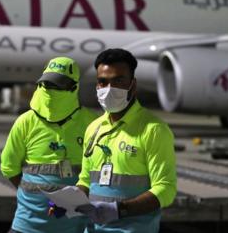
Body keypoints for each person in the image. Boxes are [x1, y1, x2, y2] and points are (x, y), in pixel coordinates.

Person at [75, 48, 177, 233]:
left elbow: (165, 189)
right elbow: (85, 180)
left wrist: (120, 210)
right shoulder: (93, 128)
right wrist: (70, 200)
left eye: (118, 81)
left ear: (133, 84)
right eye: (103, 82)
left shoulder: (153, 130)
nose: (109, 89)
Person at [1, 57, 98, 233]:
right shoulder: (26, 122)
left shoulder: (91, 124)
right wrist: (31, 198)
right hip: (26, 226)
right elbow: (9, 167)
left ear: (74, 87)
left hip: (72, 227)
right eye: (47, 84)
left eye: (58, 86)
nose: (50, 90)